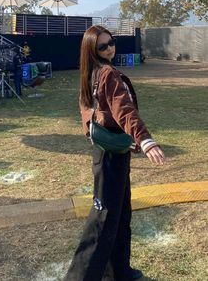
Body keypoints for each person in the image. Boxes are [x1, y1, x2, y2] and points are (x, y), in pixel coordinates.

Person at [65, 25, 165, 281]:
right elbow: (124, 111)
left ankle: (119, 271)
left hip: (111, 150)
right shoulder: (106, 73)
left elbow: (88, 110)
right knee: (104, 218)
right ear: (92, 49)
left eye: (112, 42)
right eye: (103, 46)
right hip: (109, 155)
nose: (110, 48)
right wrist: (145, 140)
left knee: (120, 214)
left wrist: (90, 133)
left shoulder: (92, 72)